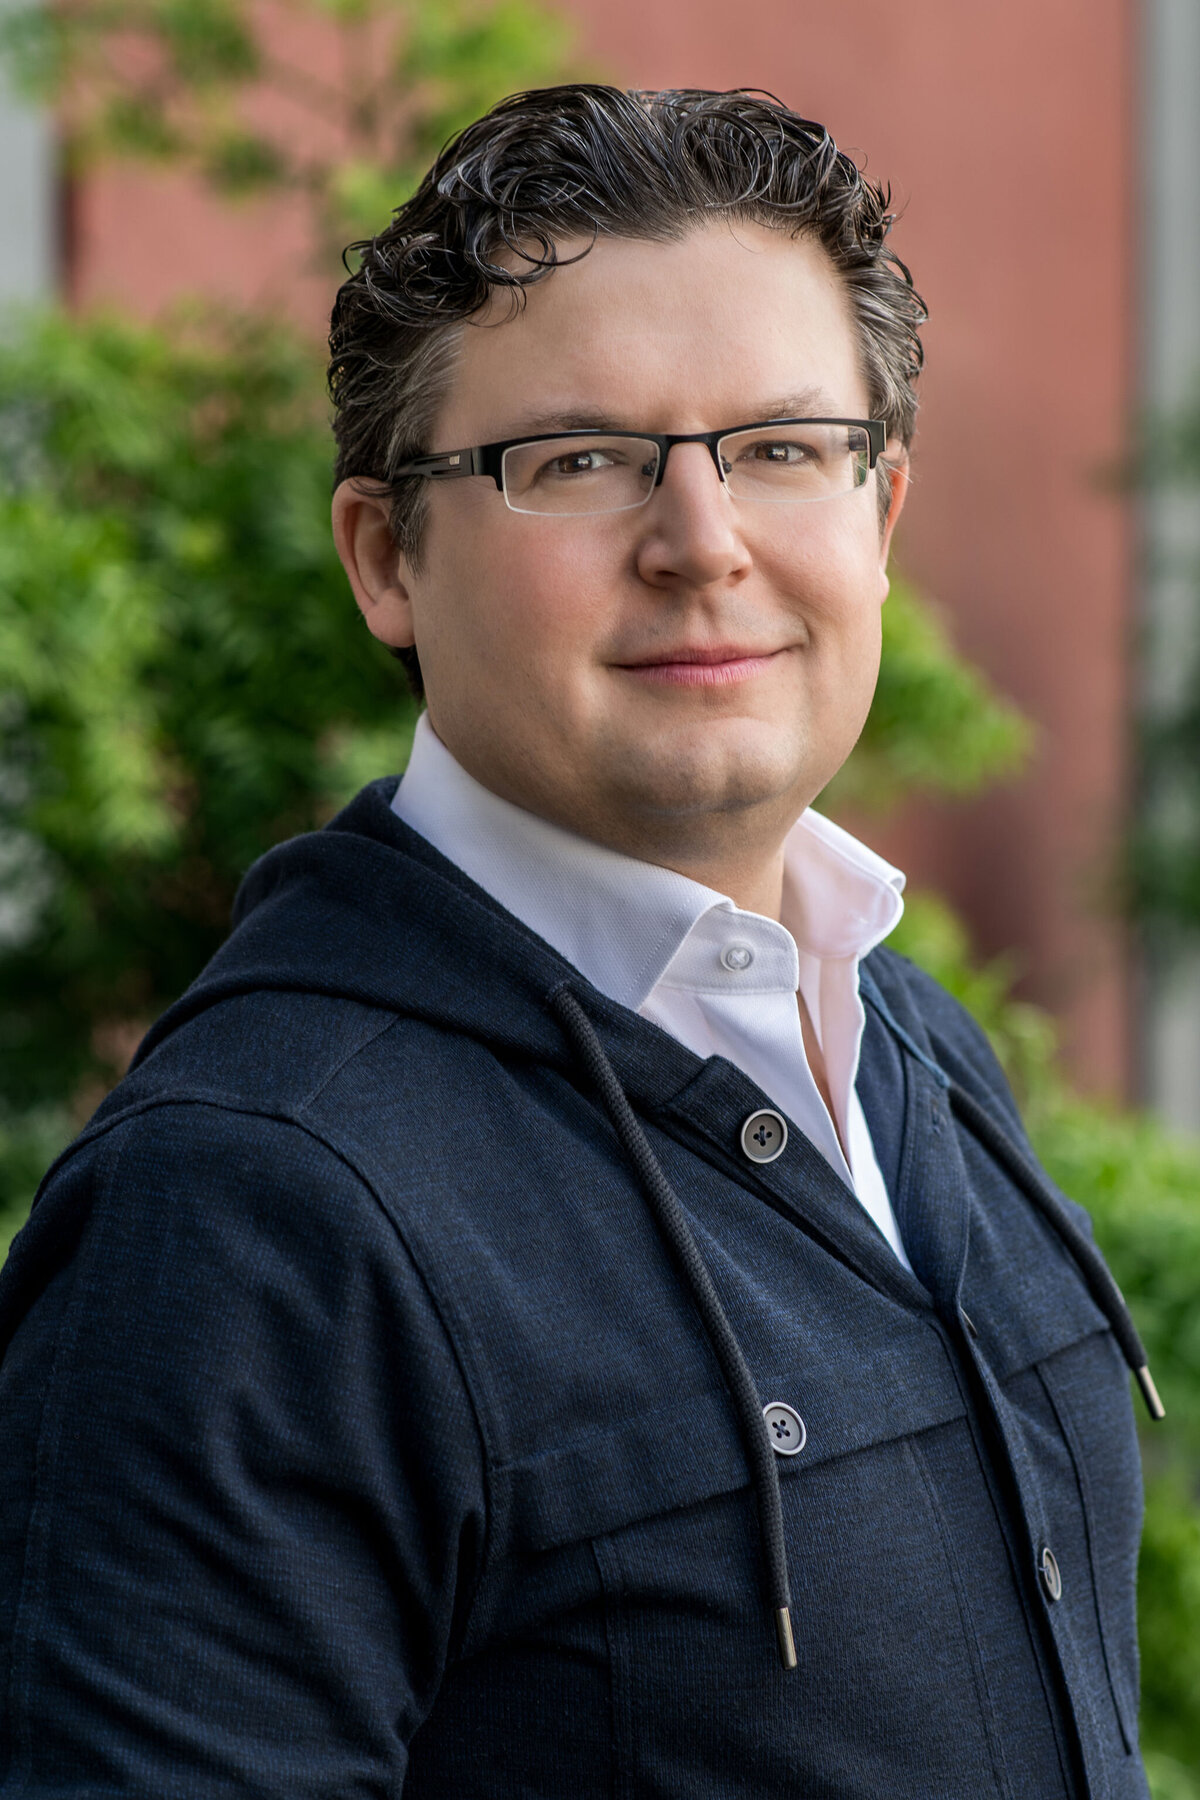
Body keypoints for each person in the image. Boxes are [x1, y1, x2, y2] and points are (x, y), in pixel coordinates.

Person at [0, 85, 1159, 1798]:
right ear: (387, 557)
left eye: (781, 448)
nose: (703, 546)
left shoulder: (901, 1040)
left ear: (883, 517)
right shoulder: (246, 1223)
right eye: (581, 461)